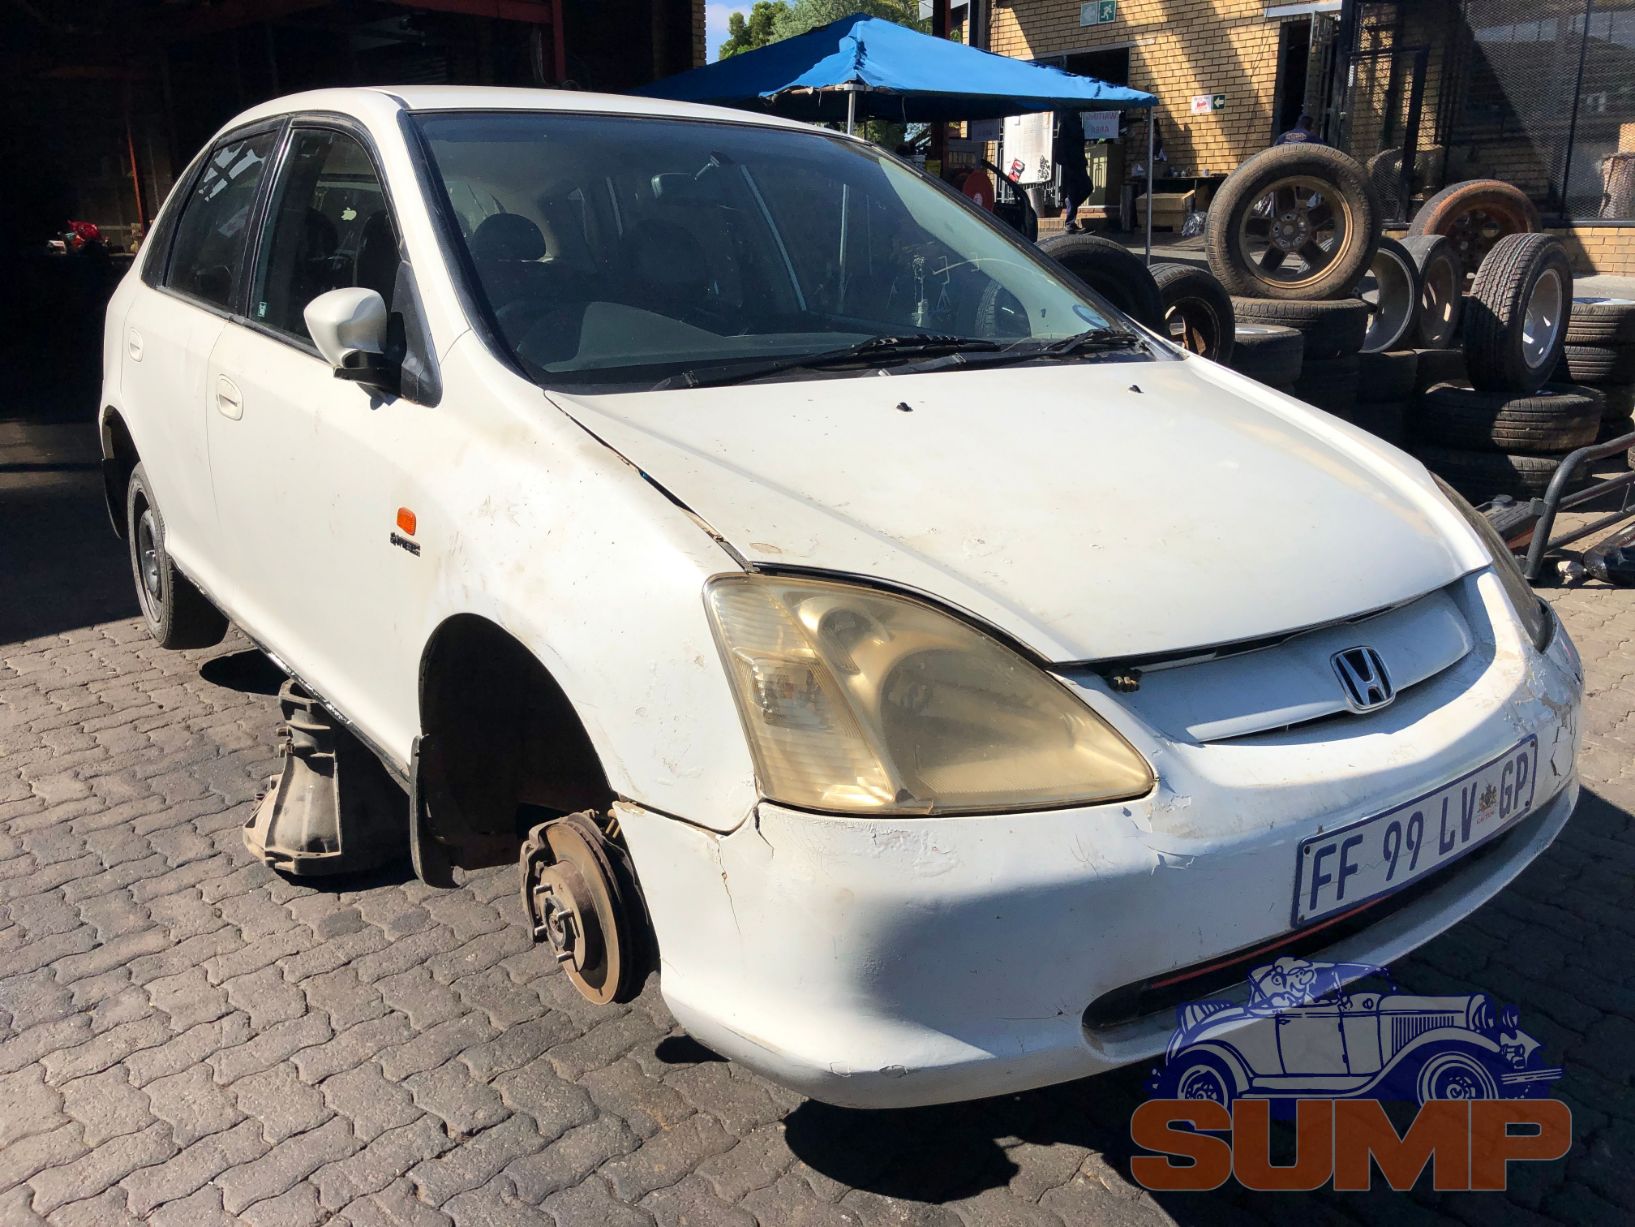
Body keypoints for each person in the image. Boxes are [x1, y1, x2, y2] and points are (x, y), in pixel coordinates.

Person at [1055, 110, 1093, 233]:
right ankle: (1070, 222)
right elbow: (1065, 145)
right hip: (1072, 163)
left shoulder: (1074, 120)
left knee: (1084, 188)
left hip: (1077, 162)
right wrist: (1066, 163)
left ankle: (1070, 215)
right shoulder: (1069, 121)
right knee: (1081, 189)